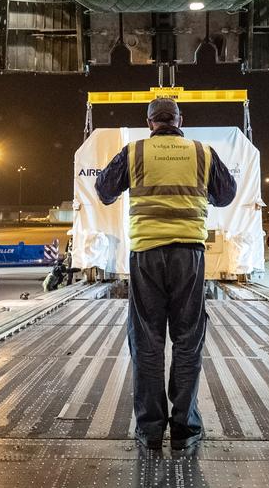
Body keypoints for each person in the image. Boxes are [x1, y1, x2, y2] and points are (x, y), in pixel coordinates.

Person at [95, 96, 237, 453]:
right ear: (179, 119)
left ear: (149, 123)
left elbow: (104, 191)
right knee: (188, 342)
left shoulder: (135, 152)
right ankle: (186, 431)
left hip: (146, 257)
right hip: (189, 257)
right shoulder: (201, 153)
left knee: (147, 342)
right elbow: (227, 195)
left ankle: (151, 432)